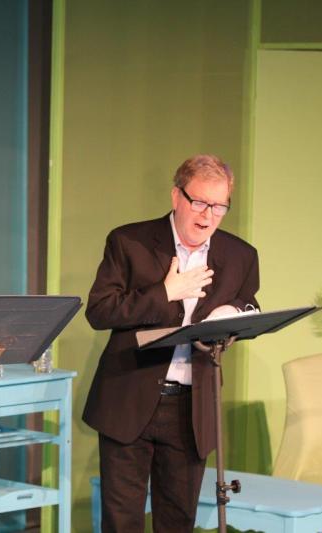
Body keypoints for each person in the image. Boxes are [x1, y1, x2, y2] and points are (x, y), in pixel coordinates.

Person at [83, 154, 259, 532]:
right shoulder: (130, 242)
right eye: (199, 202)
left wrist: (230, 313)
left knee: (178, 521)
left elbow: (249, 302)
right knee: (122, 522)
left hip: (192, 408)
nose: (208, 215)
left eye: (219, 206)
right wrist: (164, 292)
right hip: (129, 399)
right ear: (176, 196)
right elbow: (99, 311)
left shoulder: (241, 255)